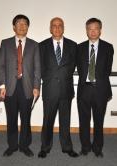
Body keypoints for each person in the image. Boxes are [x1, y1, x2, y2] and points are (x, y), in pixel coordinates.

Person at [0, 14, 41, 157]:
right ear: (13, 26)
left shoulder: (34, 45)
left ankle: (24, 145)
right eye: (19, 23)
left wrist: (36, 86)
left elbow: (37, 68)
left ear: (28, 27)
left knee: (26, 117)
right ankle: (12, 145)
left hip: (27, 86)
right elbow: (1, 66)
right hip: (9, 86)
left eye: (25, 24)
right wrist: (2, 85)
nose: (22, 26)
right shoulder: (5, 43)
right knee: (11, 118)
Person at [38, 17, 79, 158]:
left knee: (65, 120)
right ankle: (45, 147)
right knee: (47, 120)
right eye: (54, 25)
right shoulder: (42, 46)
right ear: (50, 28)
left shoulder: (73, 45)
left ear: (63, 28)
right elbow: (41, 67)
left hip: (66, 89)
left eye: (59, 25)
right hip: (50, 89)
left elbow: (72, 66)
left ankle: (67, 147)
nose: (57, 28)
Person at [77, 18, 114, 158]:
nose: (93, 31)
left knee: (99, 120)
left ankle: (97, 148)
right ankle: (85, 146)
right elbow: (80, 69)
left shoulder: (108, 47)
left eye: (95, 28)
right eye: (90, 29)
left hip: (100, 90)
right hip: (84, 89)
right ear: (87, 30)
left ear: (100, 30)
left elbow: (107, 69)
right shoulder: (79, 48)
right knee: (84, 120)